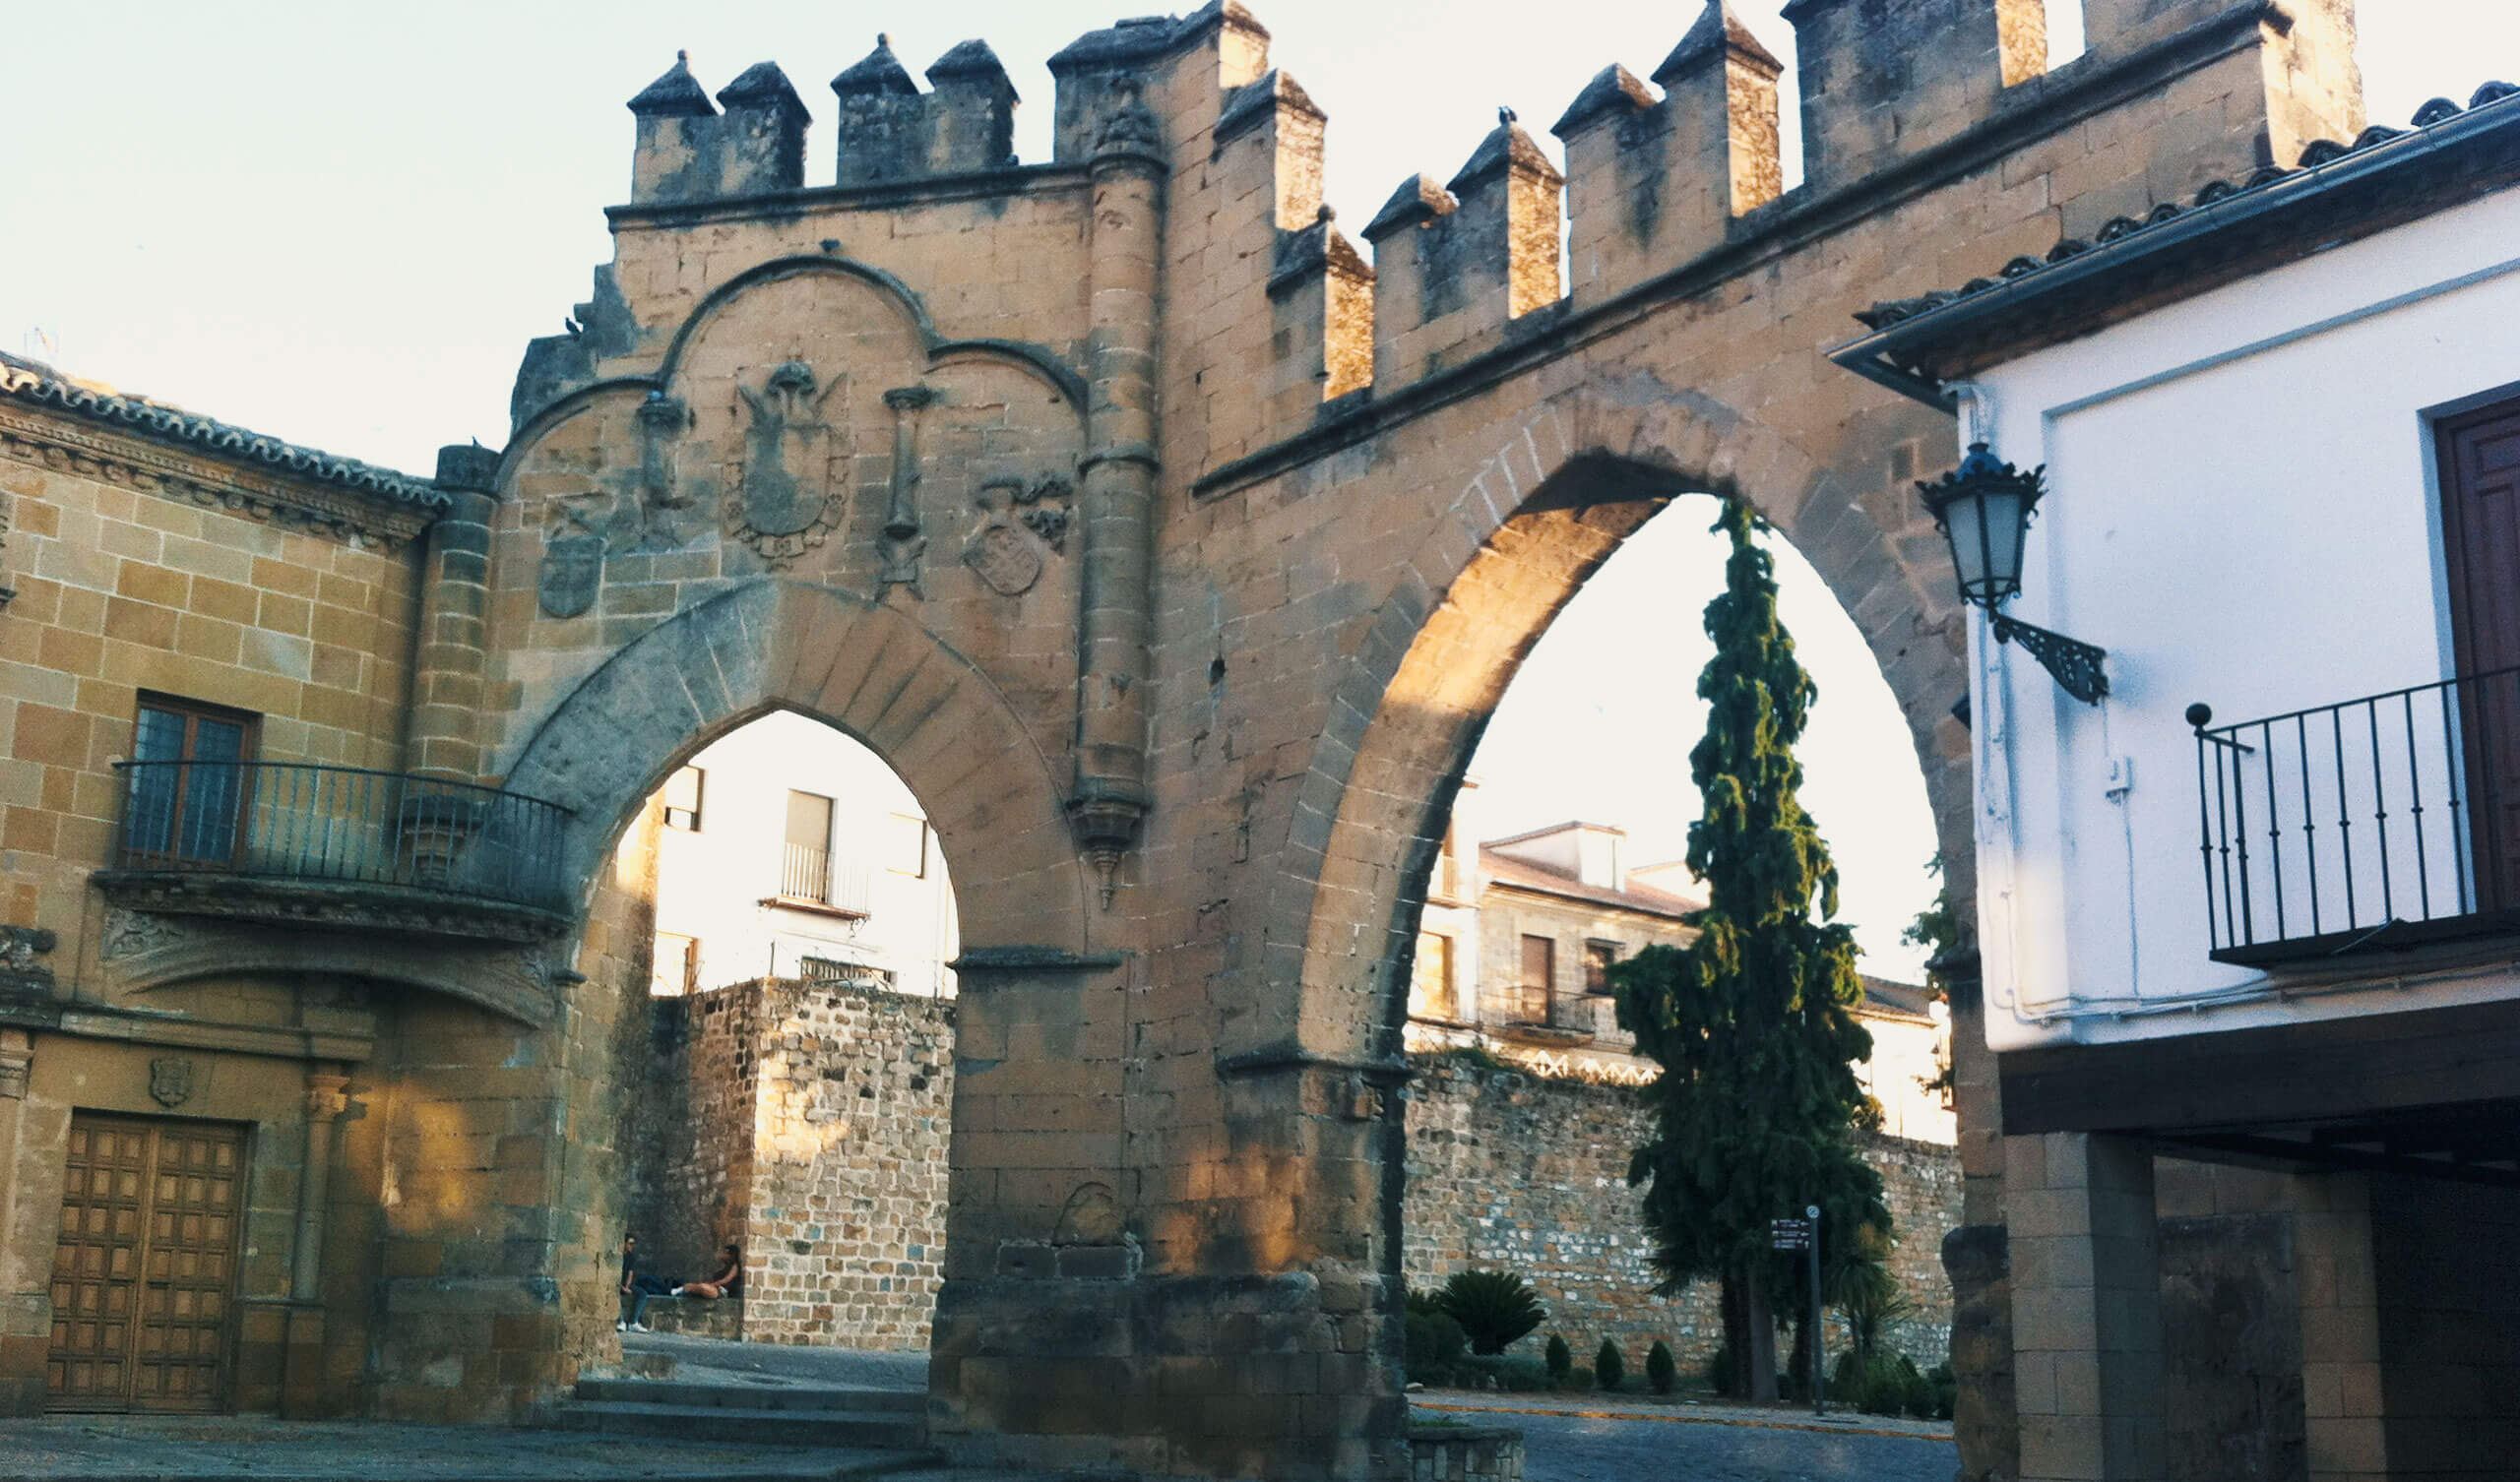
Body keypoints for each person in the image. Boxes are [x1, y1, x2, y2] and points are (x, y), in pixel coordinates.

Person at [617, 1233, 673, 1332]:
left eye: (633, 1244)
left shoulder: (631, 1257)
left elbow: (630, 1273)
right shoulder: (617, 1256)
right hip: (616, 1284)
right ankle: (620, 1321)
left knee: (642, 1293)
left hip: (626, 1285)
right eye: (630, 1243)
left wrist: (627, 1286)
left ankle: (633, 1322)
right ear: (624, 1243)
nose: (632, 1246)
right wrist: (621, 1287)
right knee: (614, 1294)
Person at [672, 1242, 744, 1302]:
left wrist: (712, 1284)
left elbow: (725, 1280)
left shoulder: (735, 1266)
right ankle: (682, 1290)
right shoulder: (725, 1266)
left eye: (725, 1253)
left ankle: (682, 1290)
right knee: (691, 1285)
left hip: (722, 1292)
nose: (723, 1254)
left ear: (731, 1255)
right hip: (716, 1288)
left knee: (703, 1287)